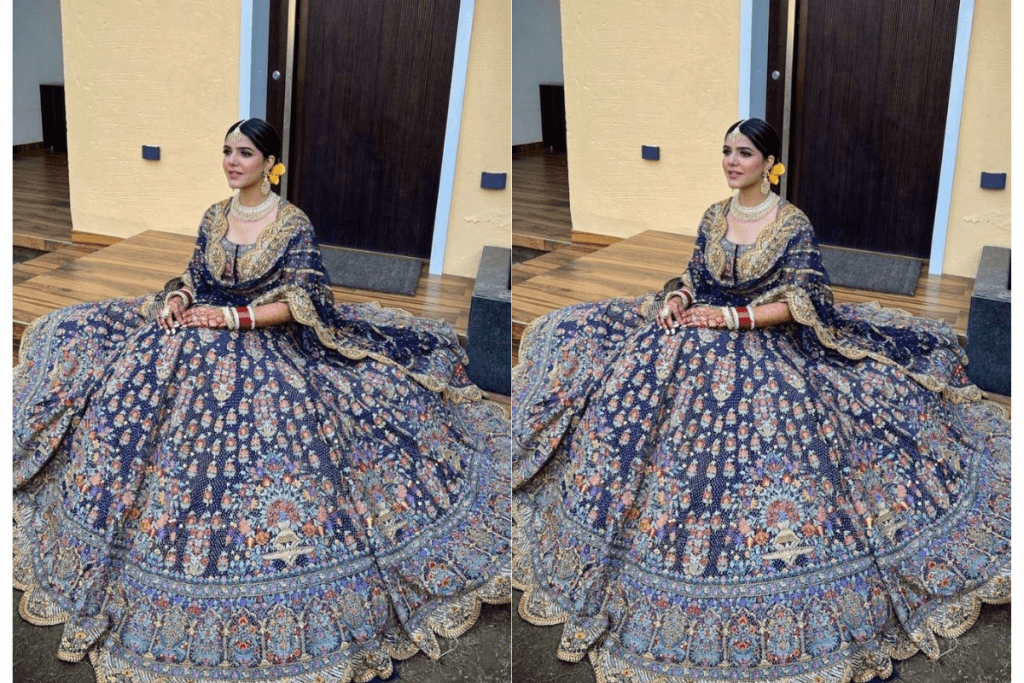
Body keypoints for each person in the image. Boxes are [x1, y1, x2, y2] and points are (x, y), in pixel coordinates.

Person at [511, 118, 1009, 683]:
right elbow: (693, 275)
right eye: (726, 151)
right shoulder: (713, 215)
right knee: (597, 350)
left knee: (795, 413)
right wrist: (677, 301)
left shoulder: (792, 224)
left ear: (769, 162)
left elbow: (804, 299)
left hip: (765, 338)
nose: (731, 161)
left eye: (744, 153)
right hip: (697, 328)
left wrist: (732, 319)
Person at [14, 118, 511, 683]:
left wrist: (232, 319)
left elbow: (304, 300)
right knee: (106, 354)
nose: (232, 161)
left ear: (269, 163)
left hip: (266, 339)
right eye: (227, 151)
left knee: (293, 418)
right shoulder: (214, 215)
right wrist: (179, 301)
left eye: (245, 153)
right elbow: (194, 274)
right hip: (198, 327)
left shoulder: (292, 224)